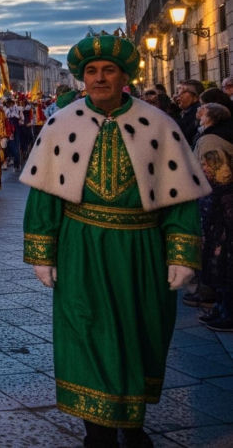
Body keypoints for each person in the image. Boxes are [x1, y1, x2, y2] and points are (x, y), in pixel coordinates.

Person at [21, 33, 208, 446]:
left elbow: (180, 197)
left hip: (141, 248)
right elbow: (45, 193)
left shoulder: (158, 123)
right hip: (80, 247)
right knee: (84, 332)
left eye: (108, 70)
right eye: (91, 71)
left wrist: (181, 253)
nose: (99, 78)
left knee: (140, 330)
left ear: (124, 76)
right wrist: (41, 251)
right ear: (82, 77)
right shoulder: (61, 122)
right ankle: (97, 430)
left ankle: (133, 422)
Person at [194, 101, 233, 332]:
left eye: (203, 112)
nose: (199, 114)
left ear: (211, 118)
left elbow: (220, 175)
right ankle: (220, 306)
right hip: (218, 201)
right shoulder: (213, 135)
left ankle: (227, 310)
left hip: (219, 204)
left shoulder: (211, 140)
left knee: (223, 259)